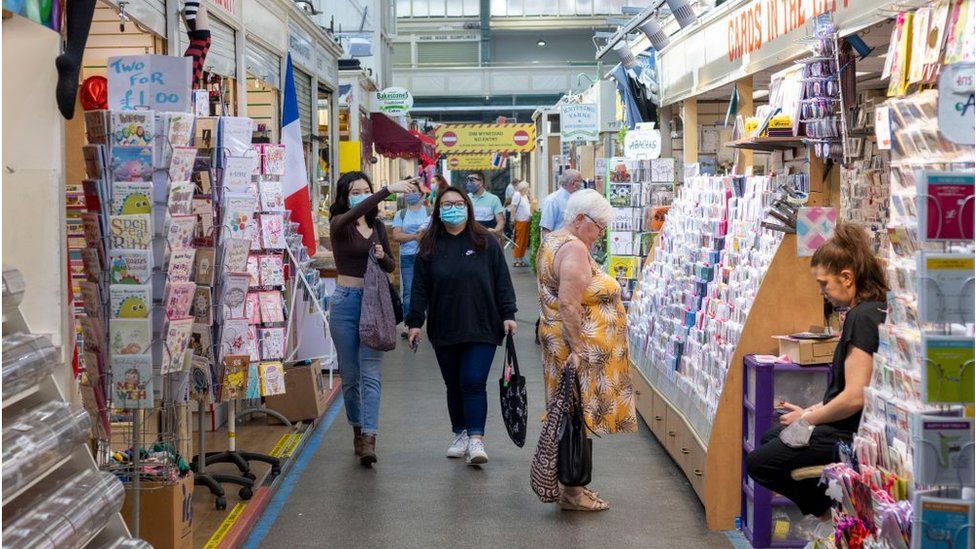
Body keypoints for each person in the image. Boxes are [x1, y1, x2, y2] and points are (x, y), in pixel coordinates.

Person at [746, 224, 888, 519]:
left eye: (825, 284)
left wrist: (808, 418)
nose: (822, 292)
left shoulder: (861, 318)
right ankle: (830, 506)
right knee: (772, 438)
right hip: (842, 428)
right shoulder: (869, 312)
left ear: (846, 277)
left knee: (760, 463)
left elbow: (854, 397)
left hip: (846, 436)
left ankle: (829, 512)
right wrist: (809, 412)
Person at [536, 189, 638, 511]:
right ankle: (573, 492)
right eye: (599, 227)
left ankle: (575, 487)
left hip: (562, 342)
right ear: (580, 220)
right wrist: (578, 350)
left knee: (571, 414)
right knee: (574, 415)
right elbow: (568, 304)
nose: (601, 235)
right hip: (572, 347)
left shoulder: (553, 240)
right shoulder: (574, 248)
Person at [406, 187, 517, 466]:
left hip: (482, 324)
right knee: (453, 384)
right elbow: (419, 288)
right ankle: (461, 434)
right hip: (445, 326)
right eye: (446, 204)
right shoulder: (429, 246)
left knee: (473, 381)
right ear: (438, 210)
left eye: (457, 203)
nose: (452, 208)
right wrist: (415, 322)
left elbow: (502, 279)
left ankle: (477, 439)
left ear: (467, 207)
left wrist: (508, 313)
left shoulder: (485, 242)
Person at [329, 171, 418, 466]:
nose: (362, 194)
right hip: (344, 302)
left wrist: (382, 256)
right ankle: (357, 426)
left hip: (374, 304)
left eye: (365, 190)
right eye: (355, 191)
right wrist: (385, 190)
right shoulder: (339, 225)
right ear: (345, 196)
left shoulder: (378, 226)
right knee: (351, 376)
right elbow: (354, 213)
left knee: (371, 375)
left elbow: (391, 266)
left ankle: (369, 437)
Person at [392, 187, 430, 336]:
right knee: (408, 291)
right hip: (407, 256)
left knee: (431, 289)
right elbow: (396, 236)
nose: (408, 194)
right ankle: (409, 324)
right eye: (406, 191)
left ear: (421, 194)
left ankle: (434, 322)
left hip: (427, 255)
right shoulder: (400, 214)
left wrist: (413, 235)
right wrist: (415, 236)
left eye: (412, 191)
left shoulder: (428, 212)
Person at [539, 169, 584, 241]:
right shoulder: (552, 201)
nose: (582, 184)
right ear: (573, 183)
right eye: (580, 181)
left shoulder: (576, 199)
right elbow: (546, 231)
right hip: (558, 247)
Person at [465, 172, 505, 239]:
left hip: (487, 238)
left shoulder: (494, 199)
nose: (469, 183)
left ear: (481, 183)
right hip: (470, 238)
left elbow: (501, 220)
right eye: (468, 180)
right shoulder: (465, 198)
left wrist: (495, 230)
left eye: (472, 180)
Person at [509, 181, 534, 267]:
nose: (528, 189)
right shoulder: (517, 195)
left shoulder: (524, 196)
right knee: (519, 240)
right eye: (527, 188)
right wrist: (512, 218)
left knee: (524, 241)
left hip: (526, 220)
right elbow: (513, 207)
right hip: (520, 220)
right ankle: (517, 259)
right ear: (523, 188)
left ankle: (521, 258)